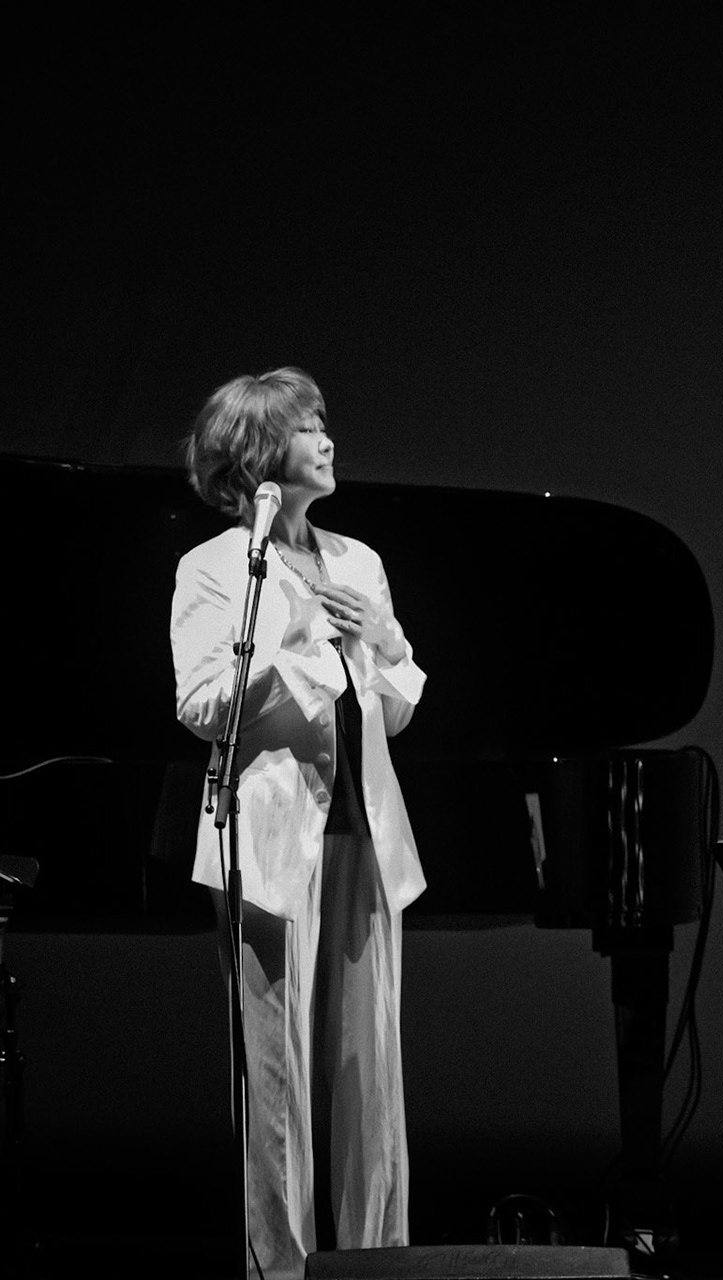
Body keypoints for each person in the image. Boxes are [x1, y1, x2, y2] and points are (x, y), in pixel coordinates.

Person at [170, 368, 426, 1280]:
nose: (327, 440)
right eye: (308, 428)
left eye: (324, 424)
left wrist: (386, 644)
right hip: (271, 843)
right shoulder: (214, 568)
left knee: (370, 1081)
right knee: (275, 1083)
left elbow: (390, 712)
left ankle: (379, 1266)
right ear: (260, 454)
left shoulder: (359, 560)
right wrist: (301, 651)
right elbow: (202, 705)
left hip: (366, 837)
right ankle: (279, 1273)